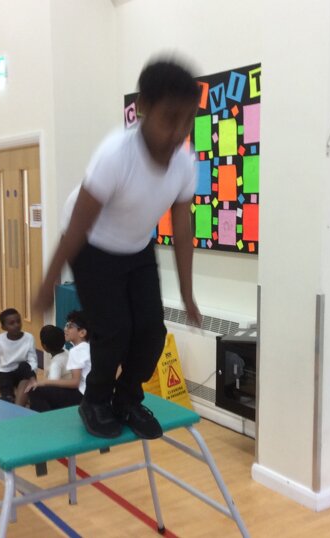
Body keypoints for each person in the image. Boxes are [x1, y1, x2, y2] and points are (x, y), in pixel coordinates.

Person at [34, 57, 203, 440]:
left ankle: (126, 399)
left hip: (136, 246)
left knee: (151, 332)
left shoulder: (183, 162)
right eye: (169, 118)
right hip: (91, 245)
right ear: (143, 108)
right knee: (114, 330)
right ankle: (93, 401)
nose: (178, 132)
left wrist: (187, 293)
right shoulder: (115, 155)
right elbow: (78, 224)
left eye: (188, 120)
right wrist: (48, 281)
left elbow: (182, 230)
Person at [25, 311, 91, 412]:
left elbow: (75, 382)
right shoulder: (88, 347)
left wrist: (44, 382)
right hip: (89, 395)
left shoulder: (76, 351)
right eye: (66, 325)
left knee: (35, 390)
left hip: (83, 397)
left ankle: (46, 419)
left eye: (70, 326)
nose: (65, 329)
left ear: (82, 333)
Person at [0, 308, 37, 405]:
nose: (16, 325)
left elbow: (32, 360)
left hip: (22, 370)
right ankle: (10, 398)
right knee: (5, 387)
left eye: (18, 321)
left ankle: (20, 402)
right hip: (5, 372)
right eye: (11, 323)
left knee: (24, 366)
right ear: (3, 327)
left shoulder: (29, 337)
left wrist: (31, 375)